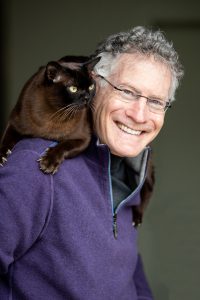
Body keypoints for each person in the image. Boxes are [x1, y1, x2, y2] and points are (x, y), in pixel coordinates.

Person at [0, 26, 183, 299]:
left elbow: (128, 270)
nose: (139, 114)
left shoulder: (132, 171)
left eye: (156, 101)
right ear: (94, 84)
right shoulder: (36, 167)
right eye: (128, 92)